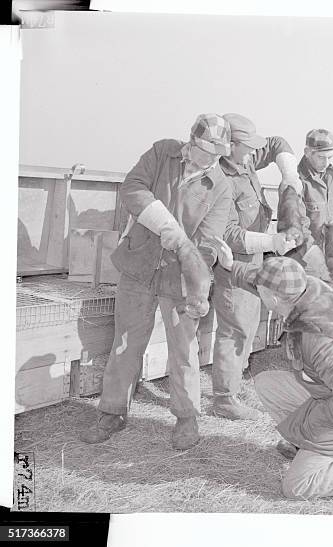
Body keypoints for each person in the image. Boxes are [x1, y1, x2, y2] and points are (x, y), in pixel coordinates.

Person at [212, 238, 333, 503]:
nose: (258, 290)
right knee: (268, 384)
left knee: (296, 486)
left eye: (262, 291)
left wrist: (308, 425)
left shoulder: (319, 337)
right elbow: (266, 282)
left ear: (272, 298)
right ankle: (309, 447)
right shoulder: (306, 288)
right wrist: (231, 265)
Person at [81, 113, 233, 449]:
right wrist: (165, 224)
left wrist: (195, 279)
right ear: (190, 142)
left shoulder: (221, 186)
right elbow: (132, 188)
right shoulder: (162, 152)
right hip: (138, 267)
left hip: (179, 278)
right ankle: (112, 412)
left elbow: (206, 244)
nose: (210, 158)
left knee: (183, 350)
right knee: (125, 343)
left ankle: (187, 416)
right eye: (205, 149)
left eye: (217, 153)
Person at [211, 113, 301, 421]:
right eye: (247, 147)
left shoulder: (244, 158)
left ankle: (232, 386)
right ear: (230, 145)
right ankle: (224, 398)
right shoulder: (220, 179)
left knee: (247, 325)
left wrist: (289, 175)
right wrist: (272, 242)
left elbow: (276, 143)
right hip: (233, 261)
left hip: (255, 257)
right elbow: (227, 233)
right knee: (235, 328)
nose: (254, 152)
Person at [298, 129, 333, 244]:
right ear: (307, 152)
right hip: (304, 255)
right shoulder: (296, 181)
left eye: (330, 157)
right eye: (321, 157)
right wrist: (314, 256)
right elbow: (296, 228)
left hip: (327, 250)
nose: (327, 163)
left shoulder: (332, 174)